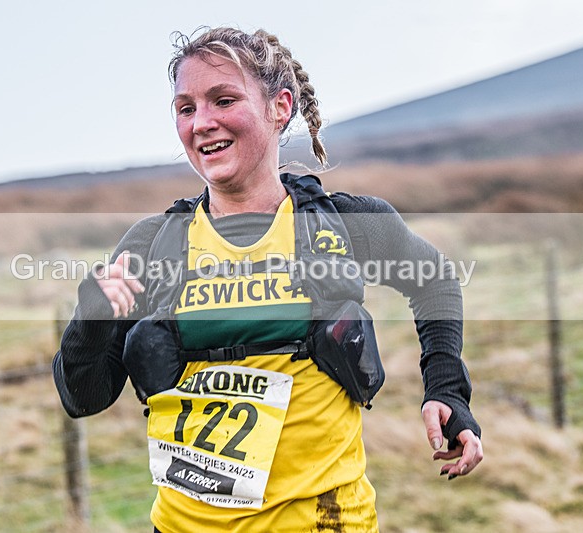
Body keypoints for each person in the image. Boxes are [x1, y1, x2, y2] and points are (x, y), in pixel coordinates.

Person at [53, 27, 483, 532]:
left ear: (280, 107)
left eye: (224, 100)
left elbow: (434, 281)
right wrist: (90, 318)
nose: (203, 123)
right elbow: (83, 397)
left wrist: (446, 389)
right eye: (186, 108)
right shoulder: (153, 246)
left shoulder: (343, 225)